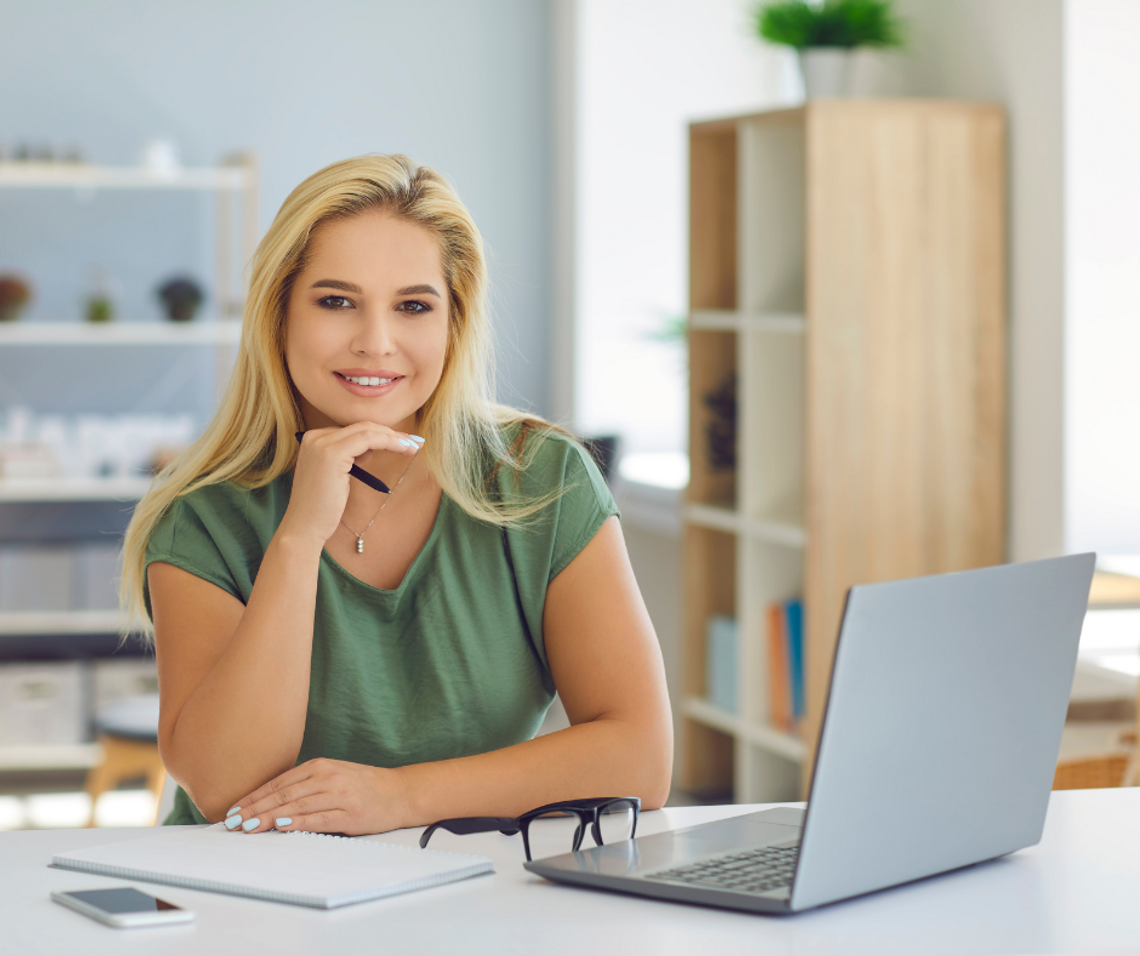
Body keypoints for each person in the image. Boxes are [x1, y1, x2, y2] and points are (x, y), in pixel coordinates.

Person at [119, 154, 673, 835]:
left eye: (414, 306)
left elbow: (641, 758)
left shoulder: (540, 477)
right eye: (336, 301)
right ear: (280, 314)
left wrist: (401, 797)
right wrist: (297, 540)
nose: (376, 343)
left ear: (453, 322)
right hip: (248, 900)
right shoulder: (204, 513)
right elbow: (224, 788)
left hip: (470, 887)